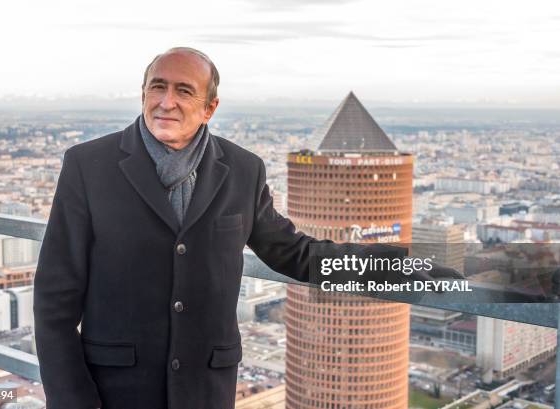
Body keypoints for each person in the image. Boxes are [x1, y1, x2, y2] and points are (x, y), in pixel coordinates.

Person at [33, 47, 461, 409]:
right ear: (143, 93)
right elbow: (55, 300)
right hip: (114, 390)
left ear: (209, 107)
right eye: (157, 87)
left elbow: (296, 254)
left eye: (184, 91)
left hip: (206, 389)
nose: (166, 101)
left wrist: (401, 266)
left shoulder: (242, 170)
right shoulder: (89, 166)